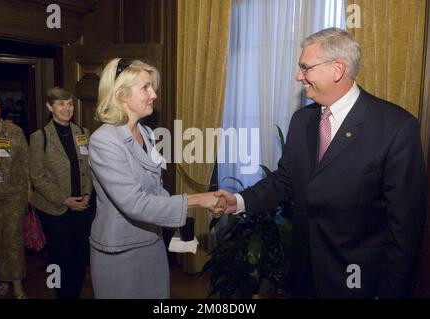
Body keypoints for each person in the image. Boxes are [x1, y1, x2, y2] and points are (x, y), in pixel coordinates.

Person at [215, 27, 427, 299]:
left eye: (305, 67)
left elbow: (405, 231)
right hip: (304, 276)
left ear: (337, 69)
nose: (298, 76)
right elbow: (285, 179)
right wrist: (239, 201)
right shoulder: (302, 120)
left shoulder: (395, 128)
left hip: (358, 281)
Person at [88, 58, 222, 299]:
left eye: (152, 87)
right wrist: (199, 200)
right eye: (145, 88)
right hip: (120, 252)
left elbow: (155, 188)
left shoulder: (147, 133)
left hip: (151, 243)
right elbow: (134, 203)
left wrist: (179, 224)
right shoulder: (103, 141)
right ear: (121, 95)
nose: (154, 94)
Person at [29, 87, 93, 299]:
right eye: (60, 104)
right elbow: (37, 177)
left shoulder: (83, 133)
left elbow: (90, 168)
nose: (67, 108)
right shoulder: (40, 137)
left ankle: (73, 294)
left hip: (81, 208)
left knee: (80, 257)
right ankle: (62, 296)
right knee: (60, 259)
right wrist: (64, 200)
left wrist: (87, 195)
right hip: (55, 210)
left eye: (69, 104)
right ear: (50, 107)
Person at [0, 89, 30, 299]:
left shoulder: (14, 131)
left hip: (15, 194)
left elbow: (25, 161)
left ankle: (17, 282)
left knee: (14, 237)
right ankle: (3, 277)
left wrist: (28, 188)